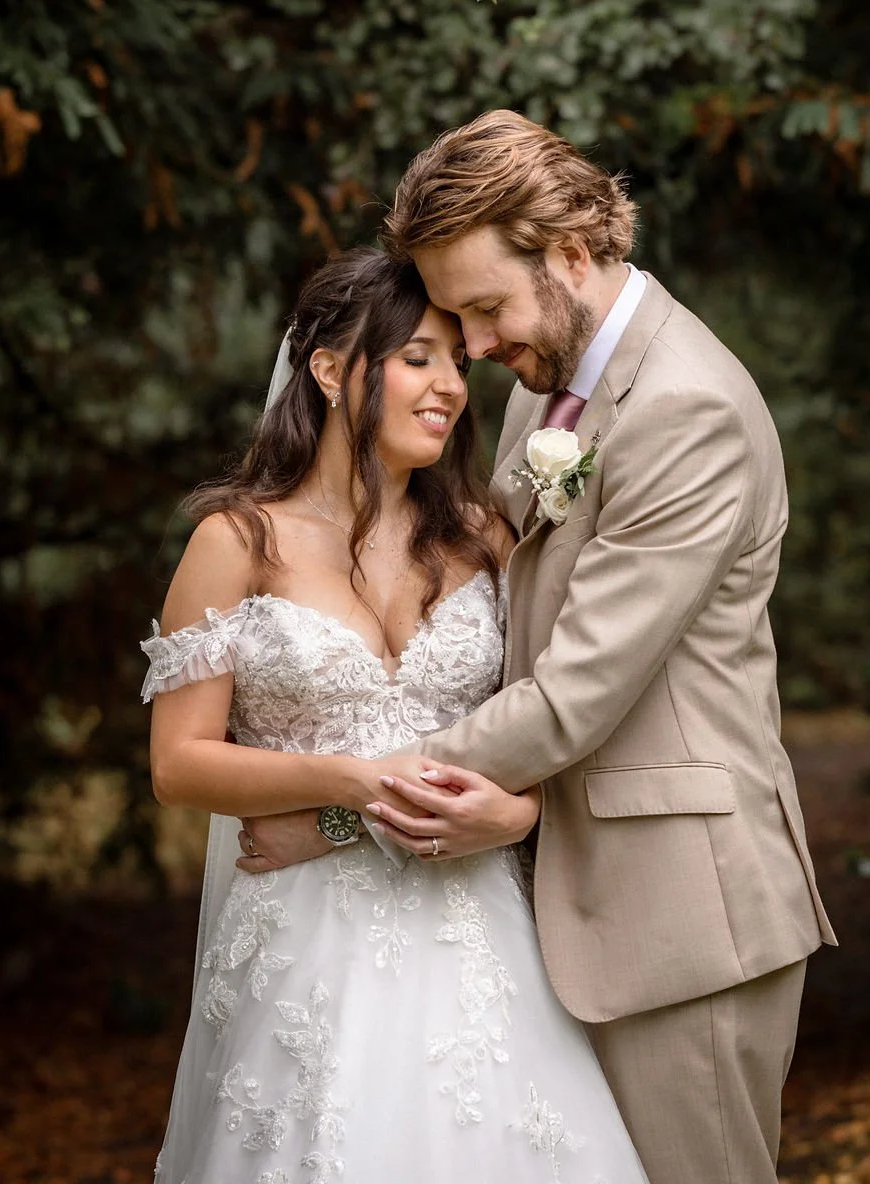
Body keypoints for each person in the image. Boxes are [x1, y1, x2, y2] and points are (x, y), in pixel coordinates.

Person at [239, 111, 838, 1184]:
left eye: (482, 309)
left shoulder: (683, 408)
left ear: (570, 251)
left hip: (680, 917)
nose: (471, 347)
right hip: (556, 899)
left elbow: (569, 696)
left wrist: (337, 815)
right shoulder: (544, 383)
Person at [140, 246, 649, 1183]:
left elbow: (544, 726)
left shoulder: (483, 533)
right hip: (301, 943)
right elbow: (180, 765)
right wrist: (358, 781)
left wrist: (520, 813)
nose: (451, 385)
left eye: (459, 361)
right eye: (418, 356)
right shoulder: (235, 540)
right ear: (332, 369)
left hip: (481, 929)